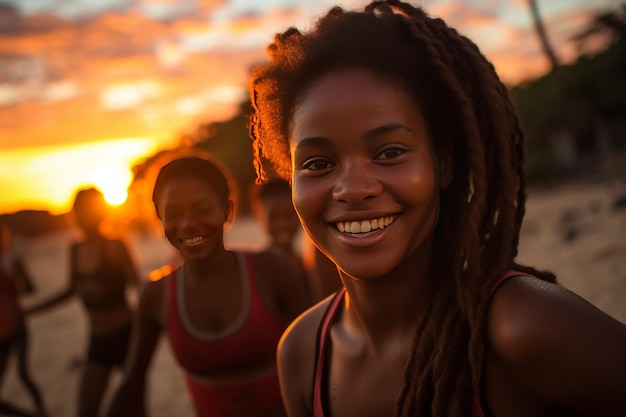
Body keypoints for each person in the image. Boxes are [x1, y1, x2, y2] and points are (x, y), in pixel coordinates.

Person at [247, 1, 626, 416]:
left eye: (389, 152)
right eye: (318, 163)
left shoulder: (521, 328)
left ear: (443, 162)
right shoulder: (302, 353)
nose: (353, 190)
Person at [104, 156, 311, 417]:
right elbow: (132, 382)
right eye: (174, 213)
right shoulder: (155, 295)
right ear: (160, 218)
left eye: (202, 209)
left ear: (228, 211)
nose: (189, 223)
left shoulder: (272, 271)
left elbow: (314, 356)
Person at [27, 187, 141, 417]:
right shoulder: (75, 249)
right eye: (79, 211)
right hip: (97, 342)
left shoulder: (115, 246)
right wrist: (29, 310)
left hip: (127, 338)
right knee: (86, 411)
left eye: (87, 211)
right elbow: (70, 290)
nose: (82, 217)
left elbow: (138, 286)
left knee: (136, 411)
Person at [250, 178, 341, 303]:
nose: (282, 224)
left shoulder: (307, 264)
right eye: (274, 217)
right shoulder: (256, 266)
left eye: (289, 215)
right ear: (259, 217)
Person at [0, 223, 48, 417]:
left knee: (24, 375)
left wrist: (15, 286)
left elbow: (31, 287)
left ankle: (41, 412)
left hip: (17, 326)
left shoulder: (13, 262)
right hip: (1, 332)